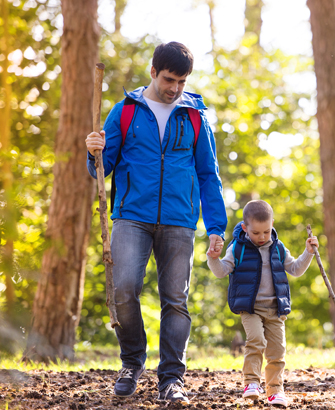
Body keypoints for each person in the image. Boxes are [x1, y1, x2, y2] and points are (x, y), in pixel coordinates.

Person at [85, 42, 227, 404]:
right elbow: (102, 169)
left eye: (181, 81)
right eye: (169, 79)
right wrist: (94, 151)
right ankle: (132, 362)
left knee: (175, 300)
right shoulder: (125, 112)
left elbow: (208, 174)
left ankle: (172, 379)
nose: (175, 88)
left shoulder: (195, 117)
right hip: (132, 216)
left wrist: (216, 227)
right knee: (124, 289)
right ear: (153, 71)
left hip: (180, 220)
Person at [206, 200, 318, 408]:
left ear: (272, 224)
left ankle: (275, 391)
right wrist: (213, 258)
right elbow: (221, 271)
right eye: (256, 233)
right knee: (256, 340)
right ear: (245, 228)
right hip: (251, 308)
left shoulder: (278, 247)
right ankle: (251, 383)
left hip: (276, 309)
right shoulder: (237, 248)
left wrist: (308, 253)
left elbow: (295, 269)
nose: (262, 237)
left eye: (266, 231)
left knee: (277, 351)